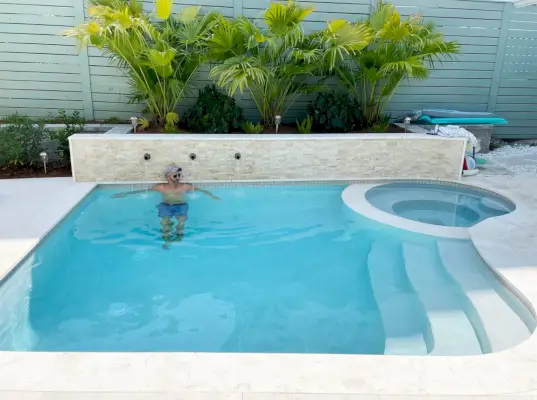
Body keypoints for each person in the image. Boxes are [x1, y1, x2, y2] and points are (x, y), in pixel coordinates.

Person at [112, 165, 220, 248]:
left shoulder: (185, 186)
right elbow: (142, 191)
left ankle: (178, 236)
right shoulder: (161, 187)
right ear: (168, 177)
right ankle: (166, 238)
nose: (178, 177)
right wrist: (125, 194)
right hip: (166, 206)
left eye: (179, 175)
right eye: (175, 175)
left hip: (181, 206)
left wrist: (212, 195)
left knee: (181, 221)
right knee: (164, 222)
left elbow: (200, 190)